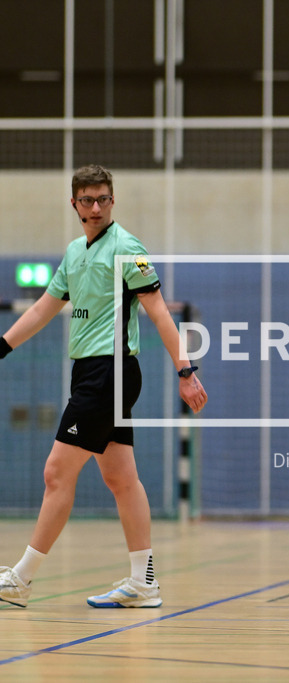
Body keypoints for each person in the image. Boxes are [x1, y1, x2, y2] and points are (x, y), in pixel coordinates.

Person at [0, 164, 207, 609]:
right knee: (120, 478)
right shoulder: (75, 252)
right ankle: (143, 582)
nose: (96, 208)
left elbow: (158, 312)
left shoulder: (127, 248)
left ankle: (21, 579)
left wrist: (185, 371)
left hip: (110, 372)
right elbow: (42, 309)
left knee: (56, 473)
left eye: (103, 200)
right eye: (87, 200)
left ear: (113, 201)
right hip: (89, 373)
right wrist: (2, 347)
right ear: (74, 204)